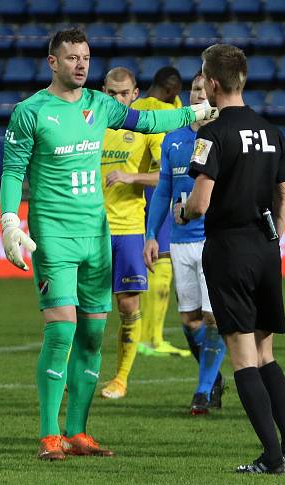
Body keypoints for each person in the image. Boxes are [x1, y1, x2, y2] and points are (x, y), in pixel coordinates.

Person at [0, 28, 217, 461]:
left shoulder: (101, 106)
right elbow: (12, 170)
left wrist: (201, 110)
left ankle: (78, 432)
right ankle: (49, 435)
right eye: (72, 57)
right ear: (52, 63)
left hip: (97, 237)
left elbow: (151, 121)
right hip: (54, 238)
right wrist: (9, 221)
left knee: (94, 334)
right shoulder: (31, 112)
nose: (81, 64)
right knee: (61, 331)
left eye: (85, 57)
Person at [177, 44, 285, 474]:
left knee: (243, 356)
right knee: (267, 353)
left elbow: (201, 201)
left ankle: (272, 457)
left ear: (212, 83)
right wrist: (273, 238)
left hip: (228, 249)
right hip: (266, 248)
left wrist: (183, 210)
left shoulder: (211, 133)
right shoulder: (273, 132)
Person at [143, 71, 226, 415]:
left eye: (203, 89)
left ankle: (203, 391)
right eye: (193, 89)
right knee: (190, 320)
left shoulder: (222, 137)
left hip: (213, 239)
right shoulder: (173, 139)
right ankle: (214, 376)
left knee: (212, 319)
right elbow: (163, 190)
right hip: (179, 242)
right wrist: (151, 235)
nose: (197, 94)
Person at [97, 67, 162, 400]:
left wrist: (130, 177)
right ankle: (74, 374)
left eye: (124, 94)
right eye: (112, 93)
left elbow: (165, 176)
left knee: (127, 305)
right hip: (89, 228)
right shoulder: (90, 124)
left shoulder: (145, 130)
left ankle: (121, 378)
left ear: (135, 94)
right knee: (82, 310)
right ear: (103, 91)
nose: (118, 99)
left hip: (128, 229)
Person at [130, 66, 189, 358]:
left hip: (158, 191)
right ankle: (150, 340)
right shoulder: (147, 112)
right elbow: (163, 163)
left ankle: (149, 337)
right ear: (169, 91)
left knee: (162, 268)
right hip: (153, 191)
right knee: (160, 267)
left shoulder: (168, 106)